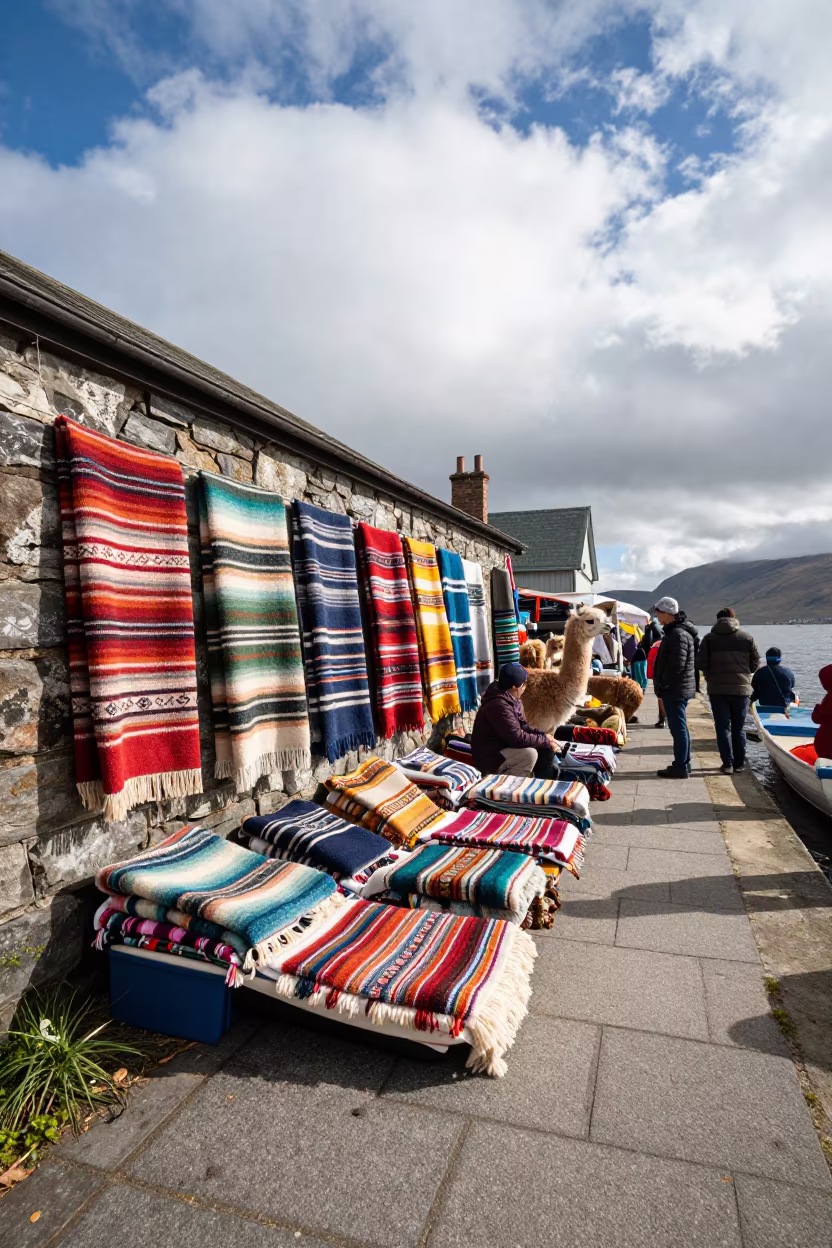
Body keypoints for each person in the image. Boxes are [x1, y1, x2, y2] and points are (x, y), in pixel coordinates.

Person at [471, 662, 560, 778]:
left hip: (502, 747)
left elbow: (523, 727)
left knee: (542, 747)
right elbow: (516, 738)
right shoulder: (499, 706)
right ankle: (508, 787)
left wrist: (544, 737)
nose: (524, 688)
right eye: (523, 685)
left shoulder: (510, 699)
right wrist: (544, 741)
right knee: (529, 754)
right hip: (489, 757)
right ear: (515, 687)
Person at [698, 607, 760, 774]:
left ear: (718, 620)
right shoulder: (747, 638)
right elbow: (755, 663)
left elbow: (700, 663)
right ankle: (740, 764)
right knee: (738, 728)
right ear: (734, 619)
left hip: (717, 690)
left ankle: (727, 764)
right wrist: (744, 674)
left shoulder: (709, 639)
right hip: (741, 690)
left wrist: (711, 675)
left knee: (722, 727)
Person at [652, 595, 698, 778]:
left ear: (667, 613)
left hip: (676, 690)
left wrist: (664, 685)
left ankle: (681, 766)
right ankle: (683, 763)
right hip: (680, 688)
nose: (657, 616)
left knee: (677, 727)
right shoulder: (677, 632)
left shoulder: (677, 634)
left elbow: (676, 666)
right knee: (680, 726)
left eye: (659, 612)